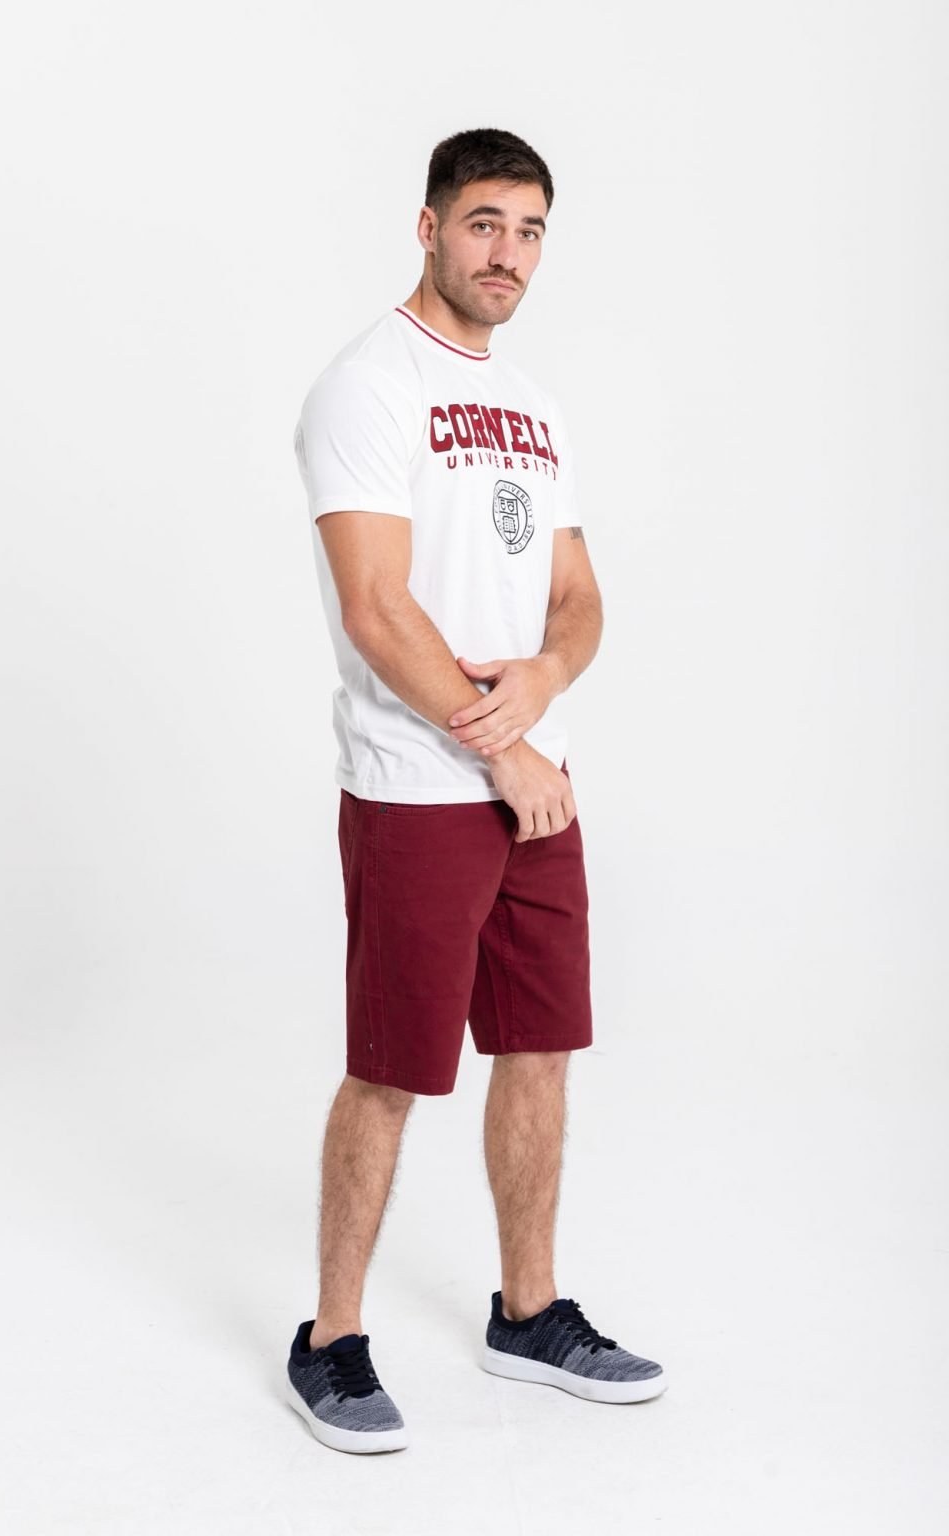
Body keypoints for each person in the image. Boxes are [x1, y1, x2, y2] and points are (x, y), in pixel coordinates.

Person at [287, 127, 666, 1454]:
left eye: (530, 230)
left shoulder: (536, 407)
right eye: (485, 223)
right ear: (430, 227)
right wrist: (496, 746)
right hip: (417, 790)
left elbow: (578, 597)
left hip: (533, 790)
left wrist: (545, 684)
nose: (508, 253)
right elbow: (376, 606)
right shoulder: (367, 386)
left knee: (539, 1048)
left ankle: (530, 1312)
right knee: (391, 1071)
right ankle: (331, 1338)